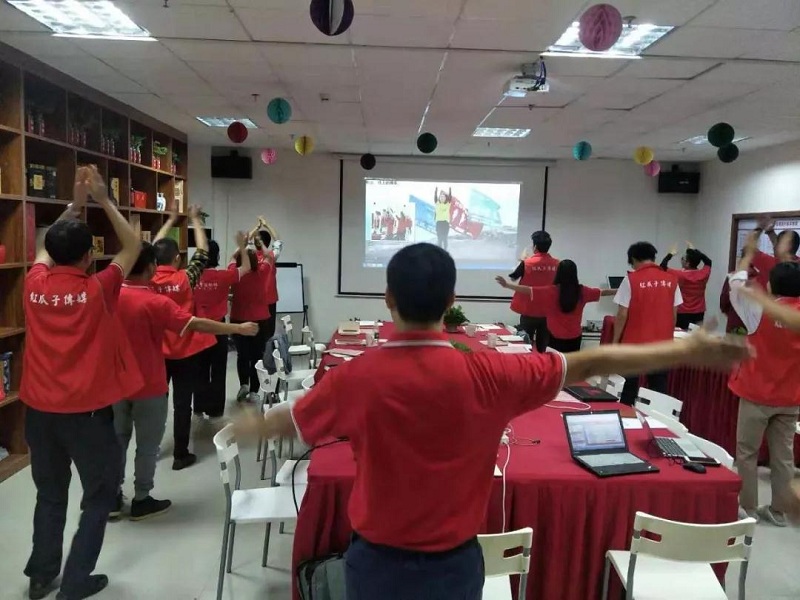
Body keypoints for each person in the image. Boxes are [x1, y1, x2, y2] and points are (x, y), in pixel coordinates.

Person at [232, 242, 749, 600]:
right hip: (456, 564)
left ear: (388, 300)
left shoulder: (355, 378)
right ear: (451, 303)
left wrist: (248, 426)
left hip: (376, 563)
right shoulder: (490, 372)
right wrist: (686, 350)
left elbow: (286, 424)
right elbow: (592, 362)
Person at [21, 166, 143, 600]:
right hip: (87, 417)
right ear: (89, 257)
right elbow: (133, 246)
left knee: (50, 493)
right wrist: (103, 199)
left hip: (39, 414)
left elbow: (43, 245)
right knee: (99, 495)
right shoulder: (99, 288)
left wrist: (74, 205)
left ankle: (41, 576)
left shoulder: (33, 284)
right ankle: (75, 582)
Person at [113, 241, 258, 521]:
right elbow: (195, 323)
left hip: (117, 382)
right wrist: (237, 328)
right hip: (150, 383)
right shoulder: (158, 300)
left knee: (117, 441)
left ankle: (112, 497)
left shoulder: (109, 294)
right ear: (151, 268)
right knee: (147, 446)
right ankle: (141, 499)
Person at [727, 231, 800, 526]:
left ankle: (747, 507)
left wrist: (747, 254)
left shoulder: (758, 309)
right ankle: (779, 511)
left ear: (770, 285)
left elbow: (735, 284)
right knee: (784, 457)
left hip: (756, 393)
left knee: (747, 452)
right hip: (790, 396)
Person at [151, 207, 213, 471]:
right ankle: (180, 453)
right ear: (177, 258)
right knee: (182, 405)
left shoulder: (147, 280)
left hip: (157, 353)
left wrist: (170, 220)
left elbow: (151, 247)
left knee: (156, 403)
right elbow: (203, 252)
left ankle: (151, 449)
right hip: (185, 352)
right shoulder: (186, 278)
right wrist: (195, 220)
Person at [613, 242, 683, 406]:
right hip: (662, 345)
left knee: (628, 387)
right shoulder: (672, 280)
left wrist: (615, 341)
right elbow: (674, 314)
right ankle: (655, 419)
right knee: (658, 389)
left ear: (633, 259)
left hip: (634, 344)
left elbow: (622, 314)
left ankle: (626, 416)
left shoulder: (631, 279)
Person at [495, 259, 615, 352]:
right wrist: (619, 291)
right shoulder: (582, 291)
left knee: (555, 367)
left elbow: (528, 290)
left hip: (553, 337)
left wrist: (507, 285)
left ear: (559, 273)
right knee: (571, 367)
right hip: (575, 337)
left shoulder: (552, 291)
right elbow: (603, 292)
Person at [194, 235, 252, 420]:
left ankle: (199, 406)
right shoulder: (224, 276)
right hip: (219, 330)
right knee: (218, 371)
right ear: (217, 256)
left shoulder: (191, 277)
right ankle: (216, 409)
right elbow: (245, 267)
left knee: (200, 370)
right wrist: (242, 247)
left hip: (198, 330)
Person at [229, 248, 272, 403]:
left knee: (242, 355)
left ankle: (243, 385)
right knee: (257, 356)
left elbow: (232, 257)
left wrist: (242, 246)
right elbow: (269, 256)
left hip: (239, 320)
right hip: (260, 321)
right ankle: (254, 391)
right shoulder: (262, 272)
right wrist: (259, 244)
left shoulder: (234, 274)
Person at [508, 231, 559, 352]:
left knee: (525, 344)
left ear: (535, 246)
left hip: (528, 310)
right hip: (548, 311)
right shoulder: (558, 264)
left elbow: (513, 277)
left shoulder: (527, 263)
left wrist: (521, 261)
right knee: (544, 346)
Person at [660, 241, 712, 329]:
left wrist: (670, 254)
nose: (681, 260)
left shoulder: (681, 275)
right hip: (699, 312)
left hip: (683, 312)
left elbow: (662, 266)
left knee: (682, 334)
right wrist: (695, 251)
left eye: (683, 259)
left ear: (687, 263)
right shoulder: (703, 274)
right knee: (695, 335)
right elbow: (708, 261)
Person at [251, 215, 283, 341]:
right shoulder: (271, 256)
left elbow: (245, 241)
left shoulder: (250, 256)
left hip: (254, 299)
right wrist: (266, 224)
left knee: (255, 332)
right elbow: (278, 240)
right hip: (269, 299)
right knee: (268, 333)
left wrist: (257, 227)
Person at [750, 218, 800, 288]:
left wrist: (759, 228)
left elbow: (749, 249)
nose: (775, 246)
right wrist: (770, 232)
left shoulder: (769, 263)